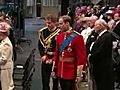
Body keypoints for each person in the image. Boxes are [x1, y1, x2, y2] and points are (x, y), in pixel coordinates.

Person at [51, 15, 86, 90]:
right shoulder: (60, 36)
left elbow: (81, 57)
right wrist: (54, 69)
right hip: (60, 70)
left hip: (71, 71)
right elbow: (57, 54)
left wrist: (79, 74)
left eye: (61, 24)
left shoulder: (77, 37)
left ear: (67, 23)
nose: (59, 26)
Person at [88, 19, 114, 90]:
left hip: (104, 68)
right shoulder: (99, 36)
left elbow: (100, 51)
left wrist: (90, 57)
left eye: (96, 25)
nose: (94, 27)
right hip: (99, 67)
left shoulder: (107, 36)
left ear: (101, 26)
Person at [38, 14, 60, 90]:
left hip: (56, 58)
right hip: (45, 57)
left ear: (55, 23)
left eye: (50, 23)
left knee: (55, 81)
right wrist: (43, 55)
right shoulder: (42, 32)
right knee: (45, 80)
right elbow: (40, 45)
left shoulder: (59, 33)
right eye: (47, 23)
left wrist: (54, 58)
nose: (48, 25)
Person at [0, 22, 14, 90]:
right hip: (5, 68)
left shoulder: (6, 44)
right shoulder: (3, 41)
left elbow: (3, 59)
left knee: (6, 87)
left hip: (5, 68)